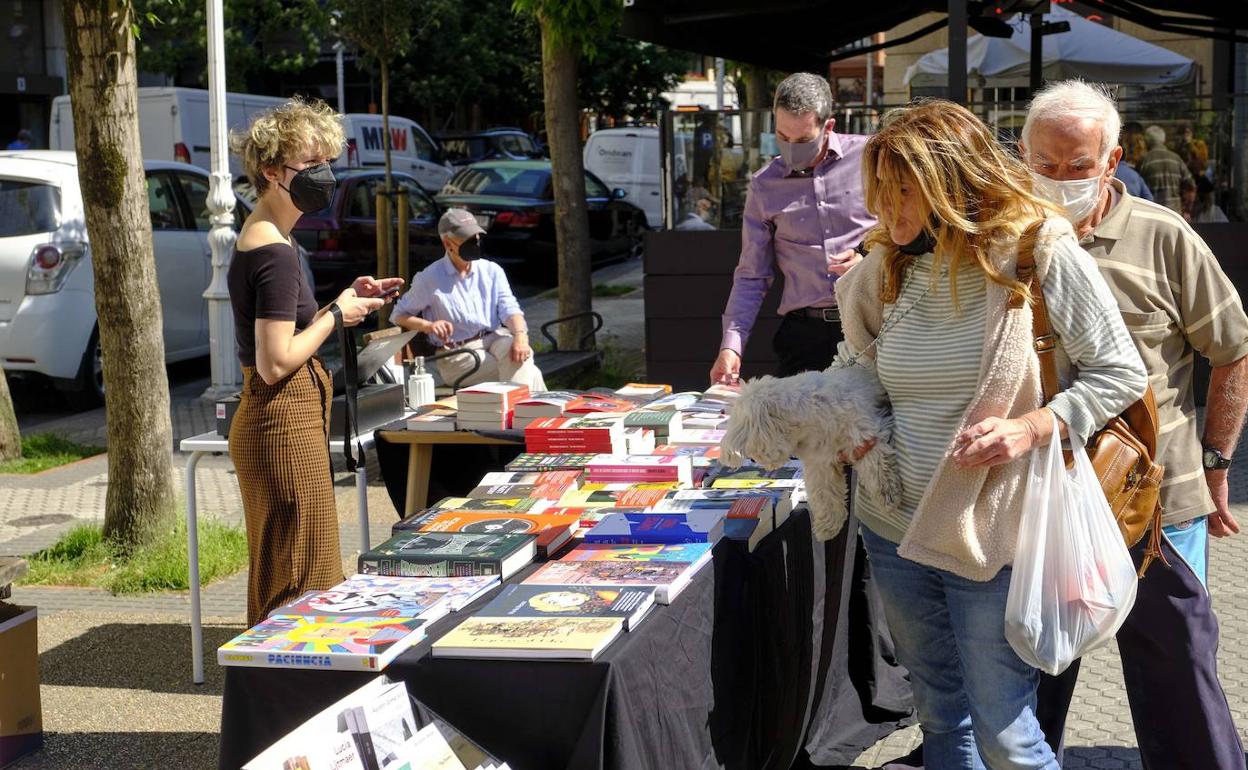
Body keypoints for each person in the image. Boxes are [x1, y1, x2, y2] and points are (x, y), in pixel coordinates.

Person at [835, 98, 1147, 770]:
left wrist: (1031, 427)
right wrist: (852, 422)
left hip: (992, 535)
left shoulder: (1036, 250)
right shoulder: (886, 265)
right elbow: (858, 374)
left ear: (954, 184)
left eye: (903, 195)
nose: (888, 214)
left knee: (1006, 736)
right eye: (879, 195)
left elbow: (1120, 371)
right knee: (943, 720)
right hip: (894, 529)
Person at [1020, 79, 1248, 770]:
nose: (1060, 181)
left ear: (1111, 160)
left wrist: (1216, 465)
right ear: (1021, 155)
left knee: (1175, 674)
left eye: (1078, 167)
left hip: (1155, 504)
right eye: (1045, 165)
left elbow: (1232, 350)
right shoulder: (1005, 241)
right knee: (1030, 672)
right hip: (1039, 498)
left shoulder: (1162, 237)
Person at [227, 97, 400, 625]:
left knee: (294, 572)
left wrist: (339, 302)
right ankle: (282, 696)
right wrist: (337, 315)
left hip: (283, 424)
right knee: (298, 585)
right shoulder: (275, 252)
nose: (324, 176)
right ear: (272, 172)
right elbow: (275, 362)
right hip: (280, 425)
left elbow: (280, 337)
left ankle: (280, 694)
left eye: (328, 162)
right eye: (311, 165)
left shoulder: (268, 238)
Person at [710, 72, 875, 383]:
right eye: (782, 137)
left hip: (871, 324)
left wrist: (868, 261)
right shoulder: (764, 185)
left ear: (828, 127)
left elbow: (903, 231)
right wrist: (732, 346)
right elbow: (751, 275)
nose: (791, 148)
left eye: (802, 140)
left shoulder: (871, 158)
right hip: (805, 334)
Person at [391, 209, 545, 392]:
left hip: (494, 339)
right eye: (468, 239)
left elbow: (510, 309)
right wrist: (428, 326)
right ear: (447, 243)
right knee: (527, 370)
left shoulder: (491, 271)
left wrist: (521, 336)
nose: (475, 242)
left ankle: (523, 415)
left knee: (520, 352)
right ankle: (533, 415)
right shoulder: (430, 278)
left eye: (477, 236)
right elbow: (398, 315)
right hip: (458, 354)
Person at [1136, 124, 1193, 213]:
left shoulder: (1144, 161)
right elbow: (1190, 186)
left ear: (1147, 142)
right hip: (1175, 214)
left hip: (1154, 213)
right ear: (1164, 140)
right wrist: (1187, 210)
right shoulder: (1176, 158)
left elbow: (1137, 190)